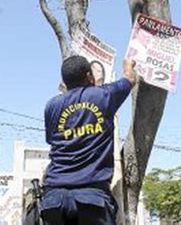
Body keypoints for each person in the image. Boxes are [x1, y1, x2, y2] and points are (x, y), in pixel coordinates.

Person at [40, 55, 136, 225]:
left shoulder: (52, 106)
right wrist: (129, 64)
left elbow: (51, 140)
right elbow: (130, 79)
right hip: (92, 198)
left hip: (54, 199)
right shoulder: (104, 95)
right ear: (89, 76)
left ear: (64, 81)